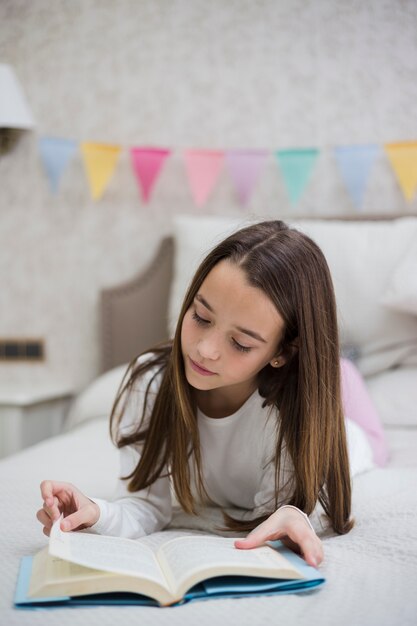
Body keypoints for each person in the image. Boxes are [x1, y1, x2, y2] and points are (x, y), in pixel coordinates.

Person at [37, 220, 386, 569]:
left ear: (283, 353)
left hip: (348, 429)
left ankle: (343, 370)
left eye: (240, 343)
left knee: (366, 434)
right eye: (201, 317)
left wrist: (294, 515)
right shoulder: (151, 384)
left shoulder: (294, 414)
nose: (205, 350)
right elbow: (143, 506)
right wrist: (95, 513)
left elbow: (301, 509)